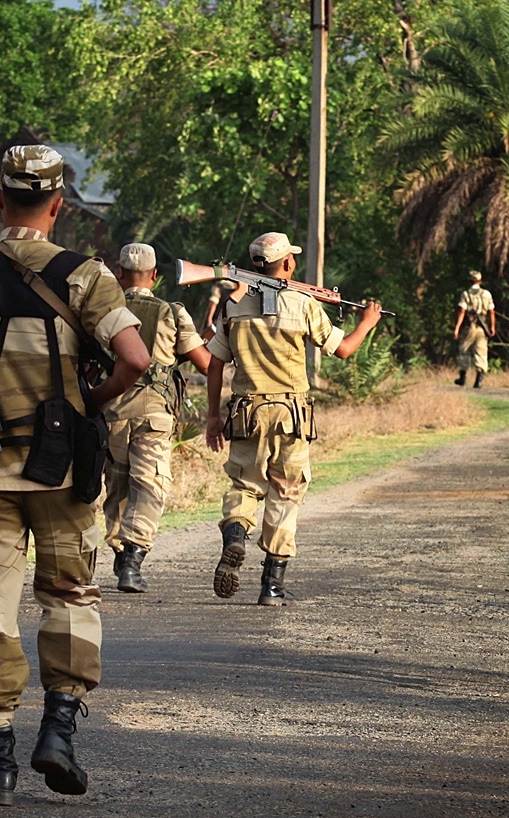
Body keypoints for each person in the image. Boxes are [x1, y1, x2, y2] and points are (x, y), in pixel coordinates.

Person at [0, 145, 150, 807]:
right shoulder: (87, 276)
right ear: (57, 205)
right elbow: (133, 360)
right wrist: (88, 405)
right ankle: (59, 730)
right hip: (63, 472)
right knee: (70, 595)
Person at [204, 232, 382, 605]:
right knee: (286, 492)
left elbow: (216, 362)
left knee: (243, 486)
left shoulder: (233, 308)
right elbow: (344, 349)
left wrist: (213, 416)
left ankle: (236, 536)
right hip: (290, 415)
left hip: (246, 412)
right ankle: (272, 585)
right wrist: (367, 322)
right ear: (287, 264)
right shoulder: (302, 305)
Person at [103, 242, 213, 593]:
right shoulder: (172, 312)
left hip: (110, 411)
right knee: (149, 486)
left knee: (117, 487)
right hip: (154, 412)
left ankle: (121, 552)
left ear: (120, 274)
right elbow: (205, 364)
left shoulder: (103, 310)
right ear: (154, 275)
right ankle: (132, 560)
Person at [453, 270, 496, 388]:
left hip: (469, 327)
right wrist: (492, 327)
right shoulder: (487, 294)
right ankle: (479, 380)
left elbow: (462, 311)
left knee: (464, 351)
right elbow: (491, 312)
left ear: (469, 281)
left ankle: (463, 378)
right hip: (482, 328)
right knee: (481, 352)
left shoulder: (466, 294)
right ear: (480, 281)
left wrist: (457, 328)